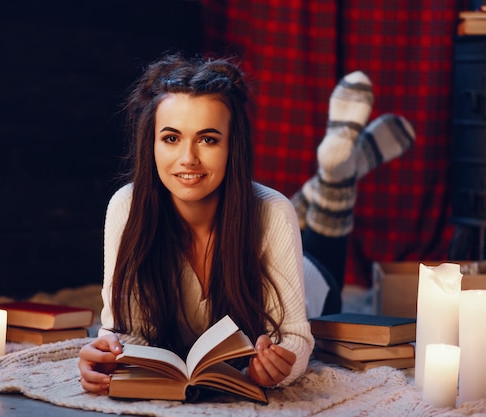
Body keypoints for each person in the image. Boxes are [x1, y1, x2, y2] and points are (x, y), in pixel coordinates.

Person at [78, 54, 415, 395]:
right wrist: (109, 353)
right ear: (150, 143)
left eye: (208, 139)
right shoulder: (126, 206)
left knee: (316, 234)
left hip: (311, 276)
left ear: (231, 146)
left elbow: (296, 338)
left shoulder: (271, 212)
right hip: (255, 208)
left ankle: (336, 178)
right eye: (171, 138)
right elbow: (122, 328)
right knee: (272, 206)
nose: (188, 158)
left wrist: (279, 367)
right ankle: (332, 175)